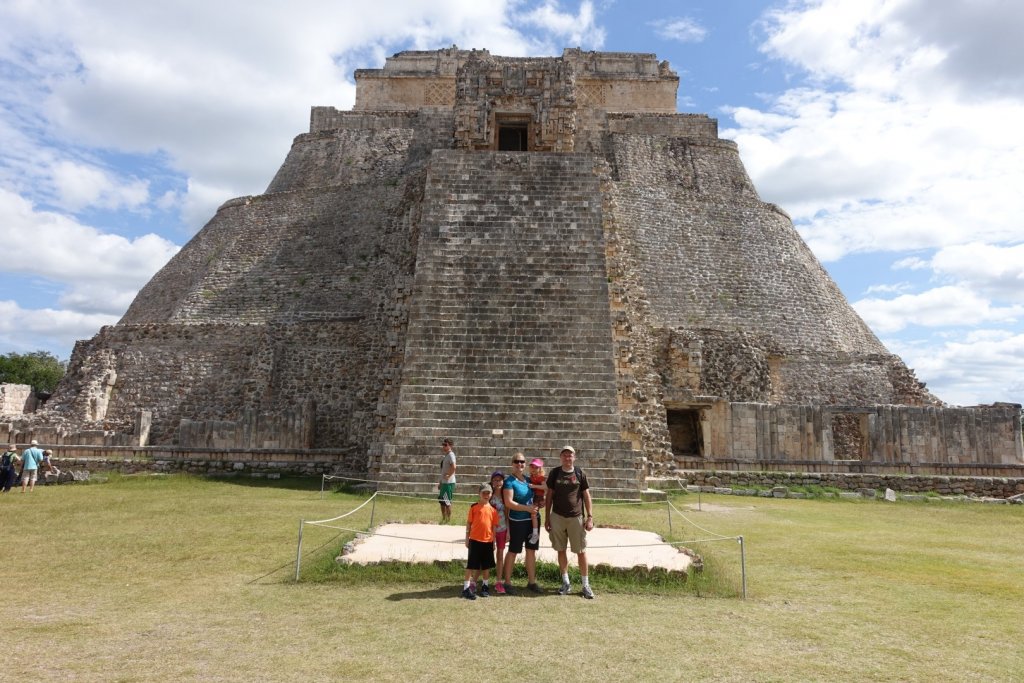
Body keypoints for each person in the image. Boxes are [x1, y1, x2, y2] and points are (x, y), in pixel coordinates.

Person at [544, 445, 596, 599]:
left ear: (574, 457)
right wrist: (547, 517)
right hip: (558, 516)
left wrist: (590, 517)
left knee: (581, 551)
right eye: (565, 455)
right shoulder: (555, 473)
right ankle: (566, 582)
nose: (567, 458)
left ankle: (585, 584)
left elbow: (586, 495)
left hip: (576, 517)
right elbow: (549, 496)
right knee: (561, 549)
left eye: (570, 455)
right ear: (561, 457)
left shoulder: (580, 473)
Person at [502, 452, 541, 594]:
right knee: (513, 551)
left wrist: (539, 504)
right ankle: (507, 582)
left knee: (531, 551)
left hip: (532, 521)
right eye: (517, 461)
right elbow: (509, 502)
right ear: (512, 464)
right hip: (517, 521)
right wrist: (527, 508)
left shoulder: (528, 480)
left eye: (522, 462)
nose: (520, 464)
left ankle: (531, 582)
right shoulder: (509, 482)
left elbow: (537, 496)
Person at [462, 483, 499, 600]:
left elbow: (494, 527)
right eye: (484, 493)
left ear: (491, 494)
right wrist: (467, 537)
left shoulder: (493, 510)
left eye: (488, 493)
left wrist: (494, 541)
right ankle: (466, 588)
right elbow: (469, 523)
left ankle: (485, 586)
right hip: (474, 540)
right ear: (479, 494)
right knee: (471, 565)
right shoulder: (474, 507)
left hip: (488, 541)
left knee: (486, 566)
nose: (486, 495)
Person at [489, 470, 509, 594]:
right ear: (492, 482)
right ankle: (476, 580)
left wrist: (509, 531)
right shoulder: (488, 495)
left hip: (502, 528)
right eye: (495, 480)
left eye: (500, 480)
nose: (498, 482)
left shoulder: (505, 495)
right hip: (489, 530)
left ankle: (498, 581)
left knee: (500, 555)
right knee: (485, 555)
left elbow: (507, 515)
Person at [527, 458, 547, 544]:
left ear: (540, 469)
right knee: (532, 515)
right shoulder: (531, 477)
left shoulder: (540, 477)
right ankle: (533, 532)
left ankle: (535, 534)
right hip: (533, 497)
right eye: (532, 467)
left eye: (536, 467)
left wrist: (534, 486)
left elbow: (545, 487)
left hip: (538, 497)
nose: (534, 469)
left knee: (533, 514)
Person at [438, 437, 457, 523]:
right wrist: (440, 482)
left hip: (448, 483)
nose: (444, 446)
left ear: (450, 446)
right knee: (442, 501)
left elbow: (454, 467)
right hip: (444, 483)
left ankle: (448, 520)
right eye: (443, 445)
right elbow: (443, 470)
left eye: (446, 445)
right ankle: (443, 519)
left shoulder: (451, 455)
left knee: (447, 501)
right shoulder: (446, 455)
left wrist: (448, 475)